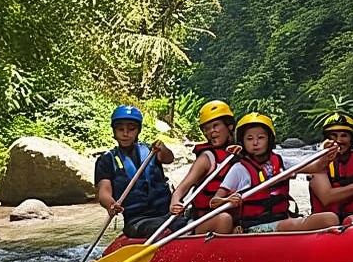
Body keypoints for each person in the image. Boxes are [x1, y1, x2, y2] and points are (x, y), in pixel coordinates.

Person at [211, 113, 339, 232]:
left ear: (269, 140)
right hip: (253, 227)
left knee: (329, 219)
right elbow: (214, 202)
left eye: (261, 138)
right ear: (242, 142)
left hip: (281, 219)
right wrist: (227, 200)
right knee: (327, 219)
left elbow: (316, 167)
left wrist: (327, 156)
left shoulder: (281, 161)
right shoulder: (239, 169)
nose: (255, 143)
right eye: (249, 139)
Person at [94, 104, 174, 238]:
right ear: (114, 131)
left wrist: (163, 148)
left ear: (138, 131)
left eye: (131, 129)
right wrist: (110, 204)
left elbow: (168, 159)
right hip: (137, 221)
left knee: (186, 224)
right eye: (120, 129)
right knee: (160, 229)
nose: (125, 134)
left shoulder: (152, 151)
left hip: (167, 213)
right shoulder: (106, 160)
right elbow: (104, 192)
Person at [168, 99, 242, 236]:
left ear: (229, 126)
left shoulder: (242, 154)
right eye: (206, 129)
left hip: (237, 217)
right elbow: (182, 188)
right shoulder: (207, 158)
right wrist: (175, 201)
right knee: (224, 220)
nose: (211, 132)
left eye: (215, 126)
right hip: (204, 220)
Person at [307, 112, 353, 220]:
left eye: (344, 135)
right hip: (328, 222)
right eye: (333, 135)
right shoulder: (318, 164)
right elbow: (326, 197)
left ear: (351, 139)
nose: (339, 140)